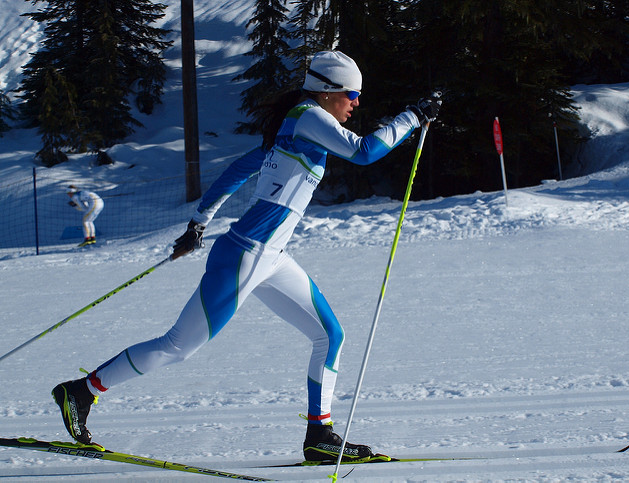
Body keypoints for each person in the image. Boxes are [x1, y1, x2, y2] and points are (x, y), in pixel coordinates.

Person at [52, 51, 442, 462]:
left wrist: (198, 224)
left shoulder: (298, 124)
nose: (356, 103)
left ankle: (319, 435)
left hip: (270, 257)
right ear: (328, 92)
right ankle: (81, 391)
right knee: (178, 346)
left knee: (330, 336)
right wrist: (412, 116)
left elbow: (238, 169)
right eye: (352, 94)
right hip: (246, 254)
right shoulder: (308, 117)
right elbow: (364, 152)